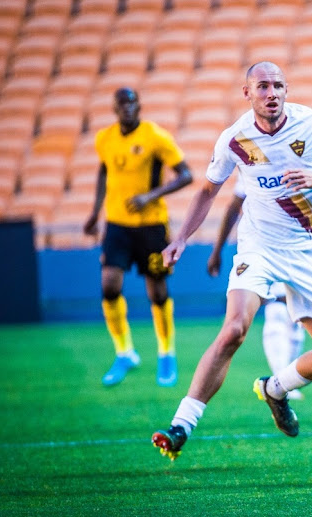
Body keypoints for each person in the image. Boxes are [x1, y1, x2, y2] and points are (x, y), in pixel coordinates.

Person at [151, 61, 312, 460]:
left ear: (287, 90)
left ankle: (274, 389)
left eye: (279, 85)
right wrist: (180, 239)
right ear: (247, 93)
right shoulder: (235, 139)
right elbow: (209, 191)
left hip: (309, 250)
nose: (272, 93)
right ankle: (181, 424)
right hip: (259, 247)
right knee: (234, 329)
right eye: (263, 86)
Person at [84, 87, 193, 388]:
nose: (128, 109)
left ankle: (166, 353)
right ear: (115, 109)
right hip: (117, 224)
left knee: (156, 291)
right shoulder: (104, 139)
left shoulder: (156, 137)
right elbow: (104, 173)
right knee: (109, 284)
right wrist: (95, 212)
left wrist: (150, 196)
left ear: (139, 107)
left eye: (132, 103)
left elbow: (186, 175)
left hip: (151, 226)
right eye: (122, 104)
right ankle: (124, 352)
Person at [207, 172, 305, 399]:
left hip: (300, 246)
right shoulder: (253, 168)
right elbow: (233, 207)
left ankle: (287, 379)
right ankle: (280, 377)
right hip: (264, 247)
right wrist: (217, 249)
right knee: (277, 308)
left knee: (298, 314)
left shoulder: (302, 160)